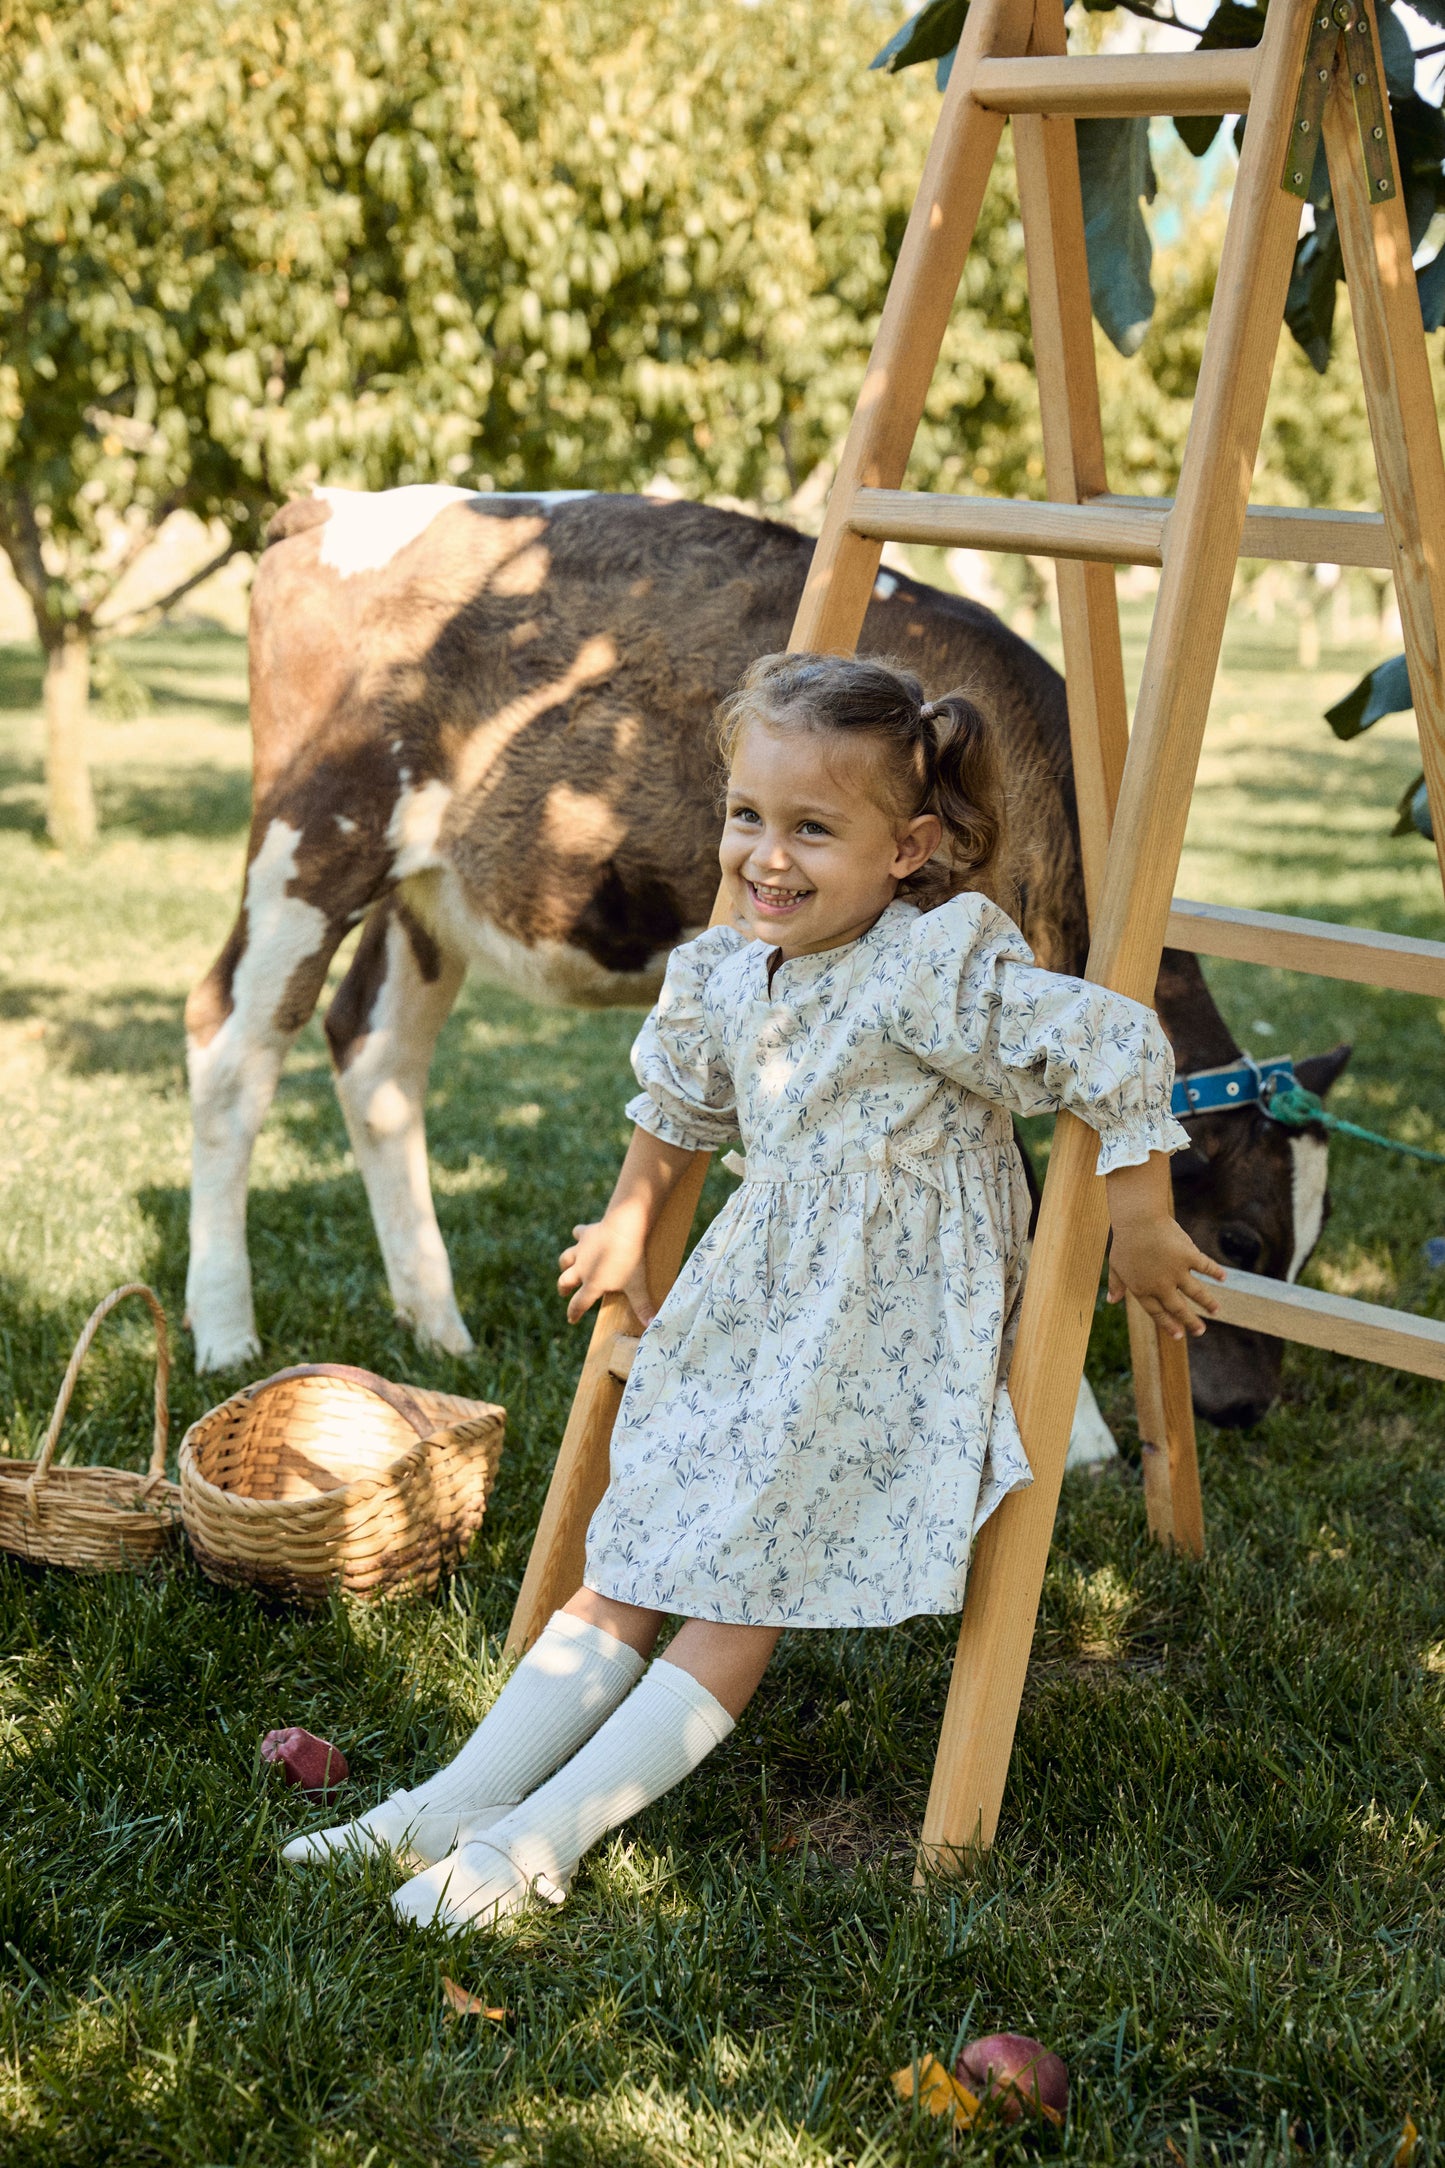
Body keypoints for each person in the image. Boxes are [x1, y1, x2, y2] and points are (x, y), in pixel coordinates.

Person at [284, 650, 1223, 1933]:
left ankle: (537, 1845)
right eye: (746, 817)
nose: (765, 858)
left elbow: (1110, 1039)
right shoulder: (727, 965)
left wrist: (1141, 1220)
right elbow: (679, 1102)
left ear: (910, 848)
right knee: (633, 1543)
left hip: (881, 1322)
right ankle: (449, 1798)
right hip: (757, 1294)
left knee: (733, 1591)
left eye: (811, 830)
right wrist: (628, 1219)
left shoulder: (927, 966)